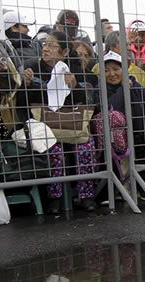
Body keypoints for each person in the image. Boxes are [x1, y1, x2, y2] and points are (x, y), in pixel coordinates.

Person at [24, 31, 98, 213]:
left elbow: (91, 103)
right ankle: (54, 198)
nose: (46, 48)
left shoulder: (75, 70)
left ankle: (86, 196)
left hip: (72, 125)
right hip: (45, 126)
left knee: (85, 146)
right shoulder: (34, 68)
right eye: (44, 45)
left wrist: (74, 86)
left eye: (51, 45)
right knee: (53, 148)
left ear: (64, 52)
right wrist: (25, 85)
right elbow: (23, 103)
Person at [102, 51, 145, 193]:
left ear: (124, 69)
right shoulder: (102, 89)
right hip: (115, 139)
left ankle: (142, 189)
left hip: (138, 135)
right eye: (107, 70)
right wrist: (123, 89)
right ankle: (117, 191)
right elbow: (111, 107)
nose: (112, 74)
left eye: (116, 69)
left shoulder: (137, 87)